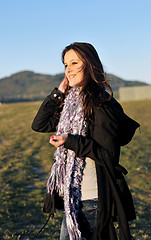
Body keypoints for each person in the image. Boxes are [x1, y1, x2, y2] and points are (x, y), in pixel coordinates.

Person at [31, 42, 140, 240]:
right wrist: (59, 92)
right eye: (65, 65)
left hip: (92, 199)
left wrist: (70, 141)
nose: (68, 70)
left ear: (89, 65)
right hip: (73, 196)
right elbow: (39, 124)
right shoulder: (71, 106)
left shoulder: (100, 104)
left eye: (74, 63)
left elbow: (107, 155)